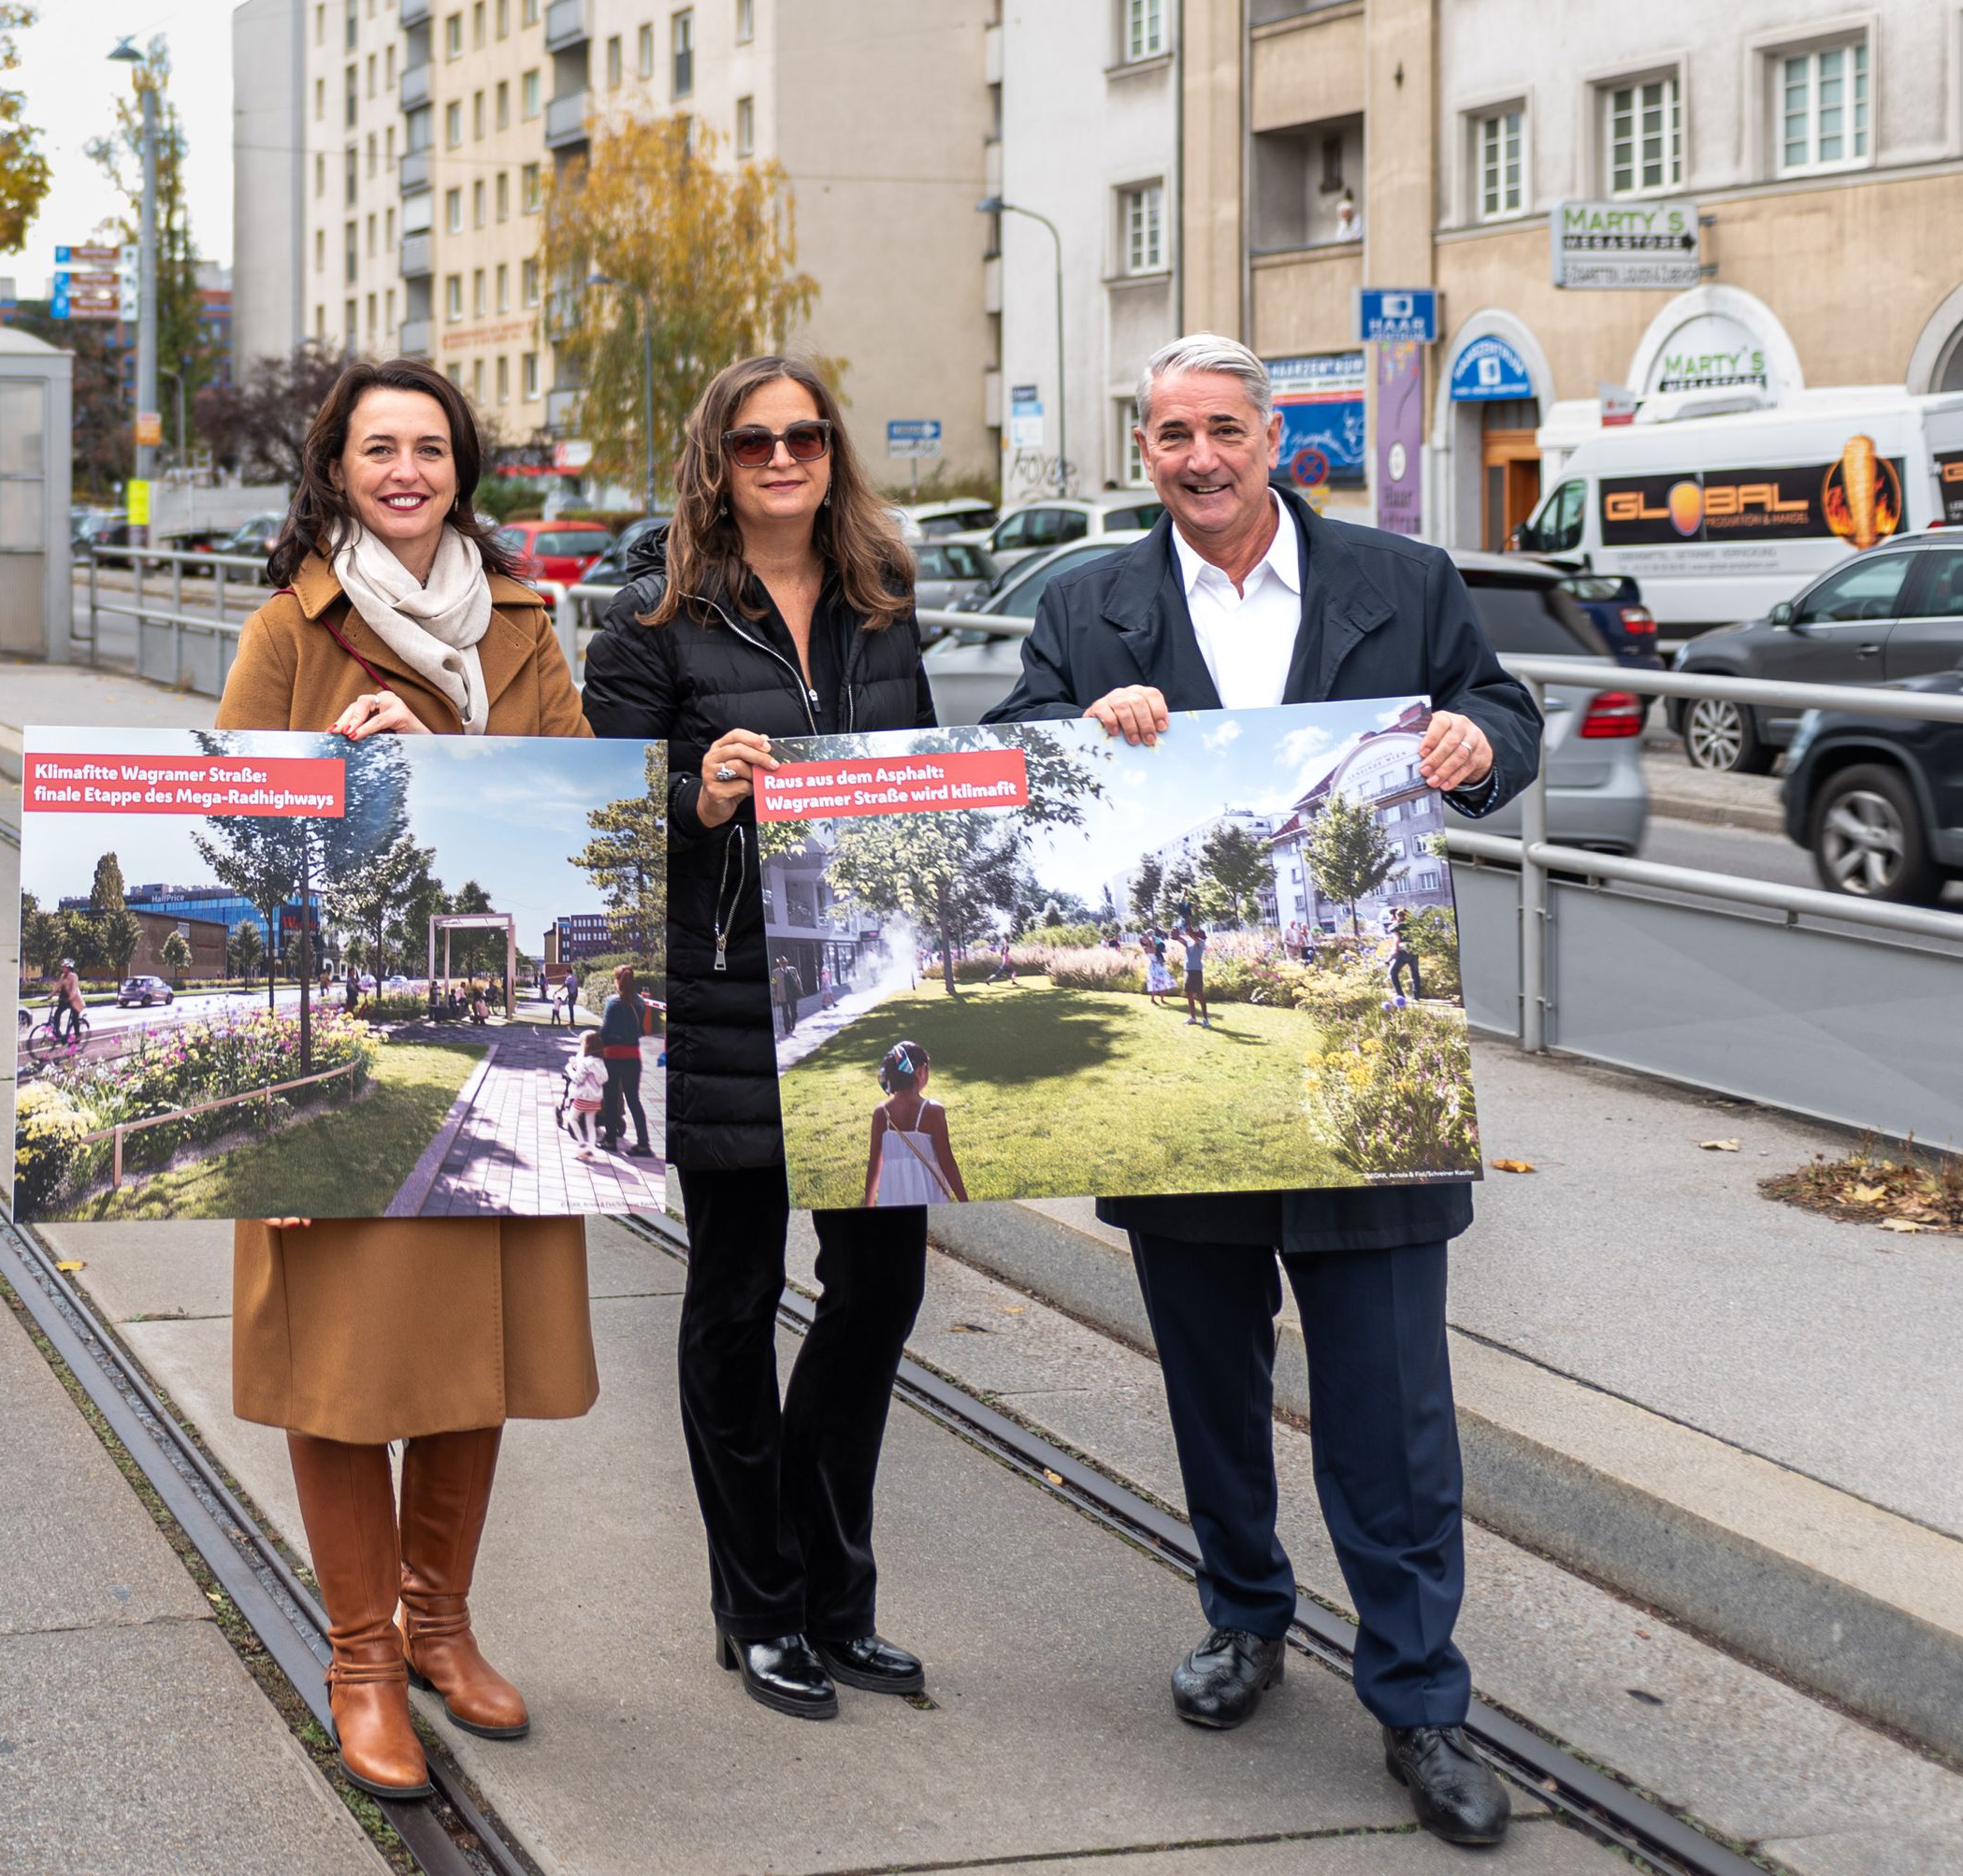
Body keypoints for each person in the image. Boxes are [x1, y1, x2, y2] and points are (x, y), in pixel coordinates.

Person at [986, 332, 1541, 1851]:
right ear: (1144, 445)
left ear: (1273, 430)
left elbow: (1507, 716)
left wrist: (1477, 739)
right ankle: (1244, 1612)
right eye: (1170, 434)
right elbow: (1004, 769)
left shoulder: (1406, 581)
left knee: (1393, 1408)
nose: (1198, 457)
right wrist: (1070, 744)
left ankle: (1420, 1697)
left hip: (1367, 1057)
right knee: (1210, 1382)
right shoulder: (1086, 606)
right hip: (1182, 1071)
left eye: (1222, 428)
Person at [217, 356, 599, 1803]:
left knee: (469, 1353)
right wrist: (337, 764)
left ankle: (441, 1622)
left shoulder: (521, 623)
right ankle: (362, 1655)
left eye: (429, 447)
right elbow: (235, 832)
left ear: (463, 468)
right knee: (343, 1368)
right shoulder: (286, 629)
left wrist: (462, 761)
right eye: (377, 447)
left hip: (488, 1048)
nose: (405, 470)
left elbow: (576, 791)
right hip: (341, 1022)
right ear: (336, 467)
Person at [583, 353, 940, 1724]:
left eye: (803, 436)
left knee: (878, 1294)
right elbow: (608, 813)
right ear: (715, 460)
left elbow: (921, 787)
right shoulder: (651, 623)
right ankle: (760, 1602)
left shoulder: (881, 609)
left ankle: (832, 1592)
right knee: (735, 1302)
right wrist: (698, 790)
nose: (781, 457)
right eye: (753, 440)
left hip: (869, 1003)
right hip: (727, 1003)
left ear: (833, 453)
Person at [859, 1042, 969, 1207]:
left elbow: (874, 1164)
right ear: (920, 1071)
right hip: (930, 1195)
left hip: (893, 1197)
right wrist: (965, 1203)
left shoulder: (881, 1114)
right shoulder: (933, 1111)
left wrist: (869, 1205)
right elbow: (947, 1161)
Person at [593, 967, 655, 1156]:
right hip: (633, 1057)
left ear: (617, 981)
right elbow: (641, 1031)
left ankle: (610, 1140)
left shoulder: (613, 1002)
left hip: (613, 1056)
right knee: (633, 1099)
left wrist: (595, 1046)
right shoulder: (640, 1002)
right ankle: (643, 1143)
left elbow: (605, 1030)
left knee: (611, 1098)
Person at [566, 1037, 609, 1152]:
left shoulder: (585, 1062)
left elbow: (578, 1078)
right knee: (590, 1124)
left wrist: (570, 1068)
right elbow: (604, 1078)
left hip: (583, 1097)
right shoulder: (600, 1062)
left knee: (572, 1118)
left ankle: (582, 1144)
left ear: (588, 1046)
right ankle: (591, 1147)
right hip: (595, 1099)